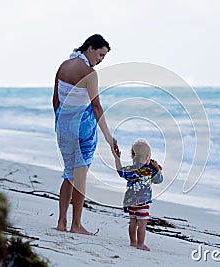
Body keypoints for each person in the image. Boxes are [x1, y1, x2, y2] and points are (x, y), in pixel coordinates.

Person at [53, 34, 118, 235]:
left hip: (63, 127)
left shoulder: (63, 65)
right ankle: (76, 225)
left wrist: (61, 124)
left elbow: (55, 100)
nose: (100, 60)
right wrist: (109, 137)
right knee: (79, 177)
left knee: (68, 175)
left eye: (103, 58)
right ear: (89, 48)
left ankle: (61, 222)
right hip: (83, 129)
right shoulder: (89, 73)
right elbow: (96, 106)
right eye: (100, 55)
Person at [112, 139, 163, 251]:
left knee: (133, 222)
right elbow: (159, 180)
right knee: (142, 224)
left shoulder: (131, 170)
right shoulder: (150, 171)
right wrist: (157, 169)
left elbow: (120, 171)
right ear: (148, 157)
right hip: (143, 203)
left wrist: (117, 158)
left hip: (130, 202)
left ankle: (133, 242)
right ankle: (140, 244)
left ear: (133, 155)